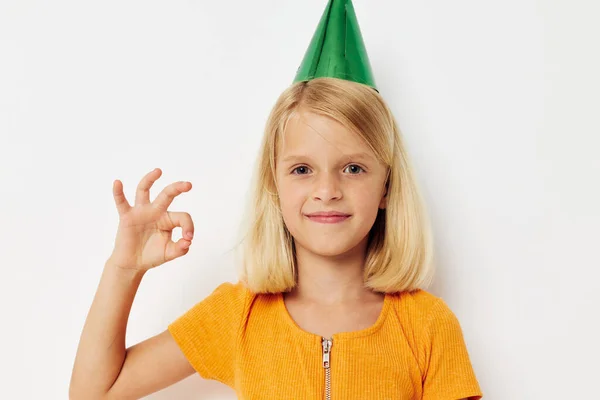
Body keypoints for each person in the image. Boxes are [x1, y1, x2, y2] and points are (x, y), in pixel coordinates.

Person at [70, 1, 483, 399]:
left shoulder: (427, 325)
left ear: (387, 187)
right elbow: (94, 392)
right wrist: (124, 268)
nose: (327, 191)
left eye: (353, 168)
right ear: (275, 185)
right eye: (302, 170)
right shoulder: (238, 315)